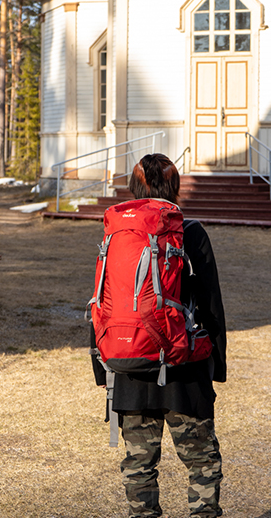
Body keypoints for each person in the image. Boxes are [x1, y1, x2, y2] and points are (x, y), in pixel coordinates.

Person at [91, 153, 226, 518]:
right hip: (183, 368)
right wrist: (217, 365)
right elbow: (211, 303)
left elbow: (102, 295)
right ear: (176, 187)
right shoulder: (189, 231)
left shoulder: (116, 231)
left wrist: (102, 368)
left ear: (134, 187)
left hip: (127, 363)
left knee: (139, 466)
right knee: (201, 462)